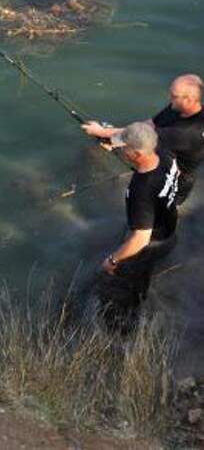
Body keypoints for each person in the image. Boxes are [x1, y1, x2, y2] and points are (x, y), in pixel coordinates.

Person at [94, 122, 179, 332]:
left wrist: (112, 260)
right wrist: (111, 139)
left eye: (124, 147)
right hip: (169, 229)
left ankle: (124, 328)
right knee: (142, 275)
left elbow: (140, 239)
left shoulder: (141, 191)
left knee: (122, 281)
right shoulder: (165, 156)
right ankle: (141, 291)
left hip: (151, 244)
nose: (121, 149)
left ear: (137, 154)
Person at [82, 74, 204, 205]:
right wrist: (115, 141)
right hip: (169, 151)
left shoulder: (184, 133)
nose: (170, 98)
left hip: (177, 177)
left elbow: (140, 134)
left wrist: (101, 131)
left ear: (190, 100)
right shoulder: (177, 107)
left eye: (174, 96)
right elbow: (150, 124)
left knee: (157, 207)